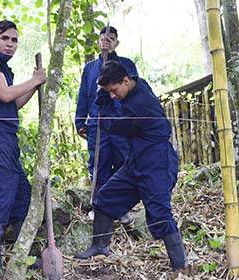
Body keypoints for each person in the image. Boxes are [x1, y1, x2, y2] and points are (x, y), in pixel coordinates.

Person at [75, 61, 187, 271]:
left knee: (160, 215)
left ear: (126, 81)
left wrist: (102, 100)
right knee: (105, 199)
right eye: (108, 91)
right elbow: (112, 112)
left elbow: (111, 125)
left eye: (114, 90)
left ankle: (181, 268)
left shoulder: (139, 105)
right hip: (135, 162)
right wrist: (106, 87)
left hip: (157, 165)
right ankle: (99, 246)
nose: (113, 95)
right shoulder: (138, 84)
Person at [0, 20, 46, 277]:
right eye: (5, 38)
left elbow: (13, 104)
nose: (10, 44)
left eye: (14, 40)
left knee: (22, 196)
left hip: (7, 141)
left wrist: (35, 86)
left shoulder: (4, 69)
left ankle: (22, 255)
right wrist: (33, 79)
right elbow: (5, 94)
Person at [74, 26, 135, 258]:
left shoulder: (126, 64)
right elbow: (83, 95)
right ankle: (100, 208)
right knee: (98, 166)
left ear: (116, 43)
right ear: (98, 42)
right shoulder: (90, 68)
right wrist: (80, 120)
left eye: (110, 39)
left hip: (120, 123)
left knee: (123, 164)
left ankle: (123, 210)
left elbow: (134, 92)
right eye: (102, 39)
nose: (106, 42)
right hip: (97, 124)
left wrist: (132, 121)